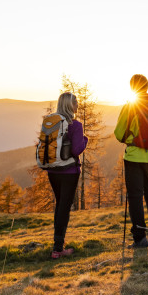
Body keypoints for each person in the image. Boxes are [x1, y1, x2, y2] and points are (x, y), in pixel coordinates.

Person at [114, 74, 148, 248]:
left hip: (134, 157)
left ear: (132, 88)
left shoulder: (131, 106)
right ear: (146, 86)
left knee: (136, 197)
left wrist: (131, 140)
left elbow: (119, 133)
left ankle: (140, 238)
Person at [47, 91, 88, 259]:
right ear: (70, 105)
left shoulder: (51, 123)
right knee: (64, 207)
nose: (77, 104)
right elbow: (77, 149)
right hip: (69, 171)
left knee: (60, 205)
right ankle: (58, 248)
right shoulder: (75, 125)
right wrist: (85, 139)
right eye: (75, 102)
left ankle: (57, 244)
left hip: (52, 170)